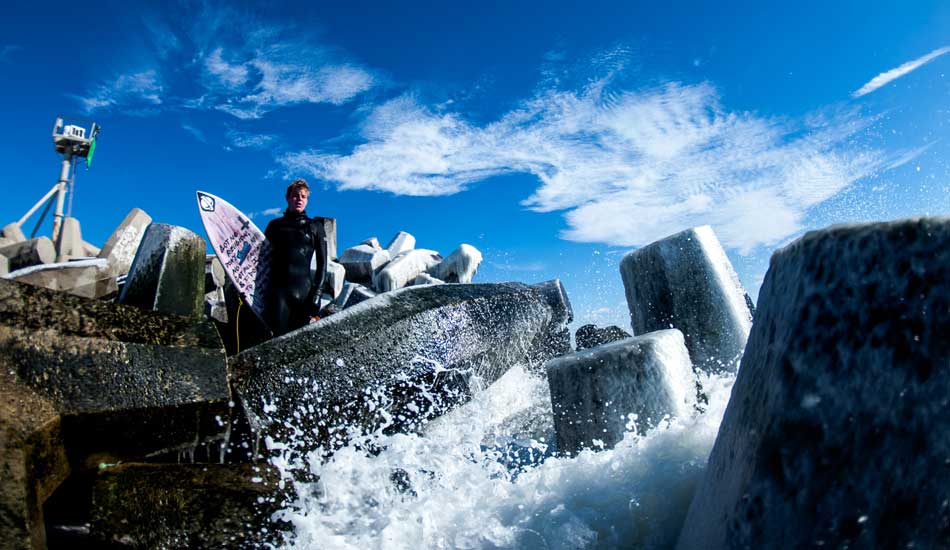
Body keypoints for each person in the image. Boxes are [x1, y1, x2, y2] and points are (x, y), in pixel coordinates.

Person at [263, 179, 328, 336]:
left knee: (299, 340)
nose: (299, 199)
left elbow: (323, 264)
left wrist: (317, 295)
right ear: (287, 198)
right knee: (277, 338)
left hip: (304, 293)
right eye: (295, 196)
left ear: (307, 200)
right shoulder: (275, 226)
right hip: (279, 292)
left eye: (303, 197)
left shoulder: (315, 227)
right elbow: (262, 260)